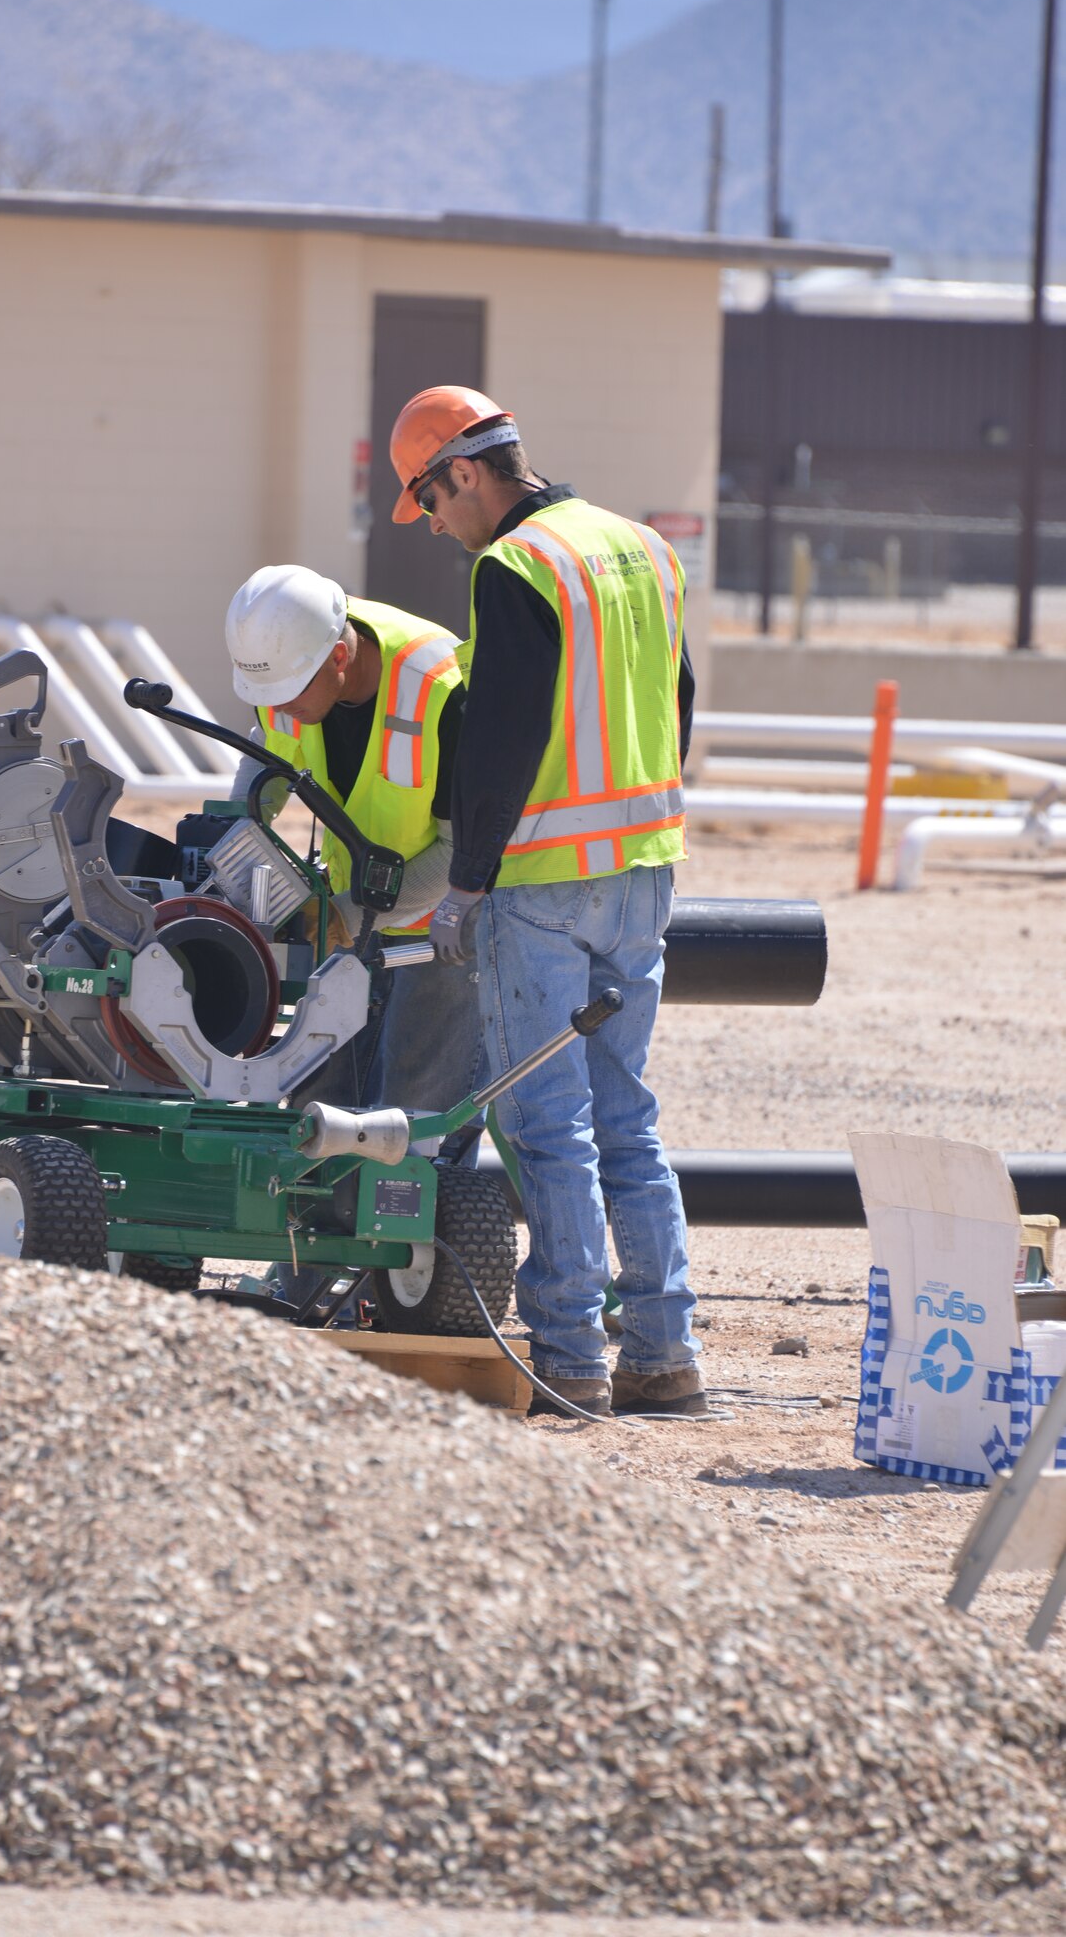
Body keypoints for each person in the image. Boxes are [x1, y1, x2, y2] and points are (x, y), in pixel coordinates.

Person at [389, 385, 703, 1420]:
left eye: (429, 501)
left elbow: (503, 734)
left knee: (545, 1120)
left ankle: (569, 1357)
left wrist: (467, 879)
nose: (434, 523)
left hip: (543, 878)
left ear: (464, 474)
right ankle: (662, 1354)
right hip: (643, 867)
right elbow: (680, 696)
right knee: (627, 1116)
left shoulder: (514, 565)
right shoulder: (638, 546)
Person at [224, 562, 484, 1131]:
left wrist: (344, 913)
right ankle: (321, 1216)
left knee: (416, 1110)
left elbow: (464, 858)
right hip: (356, 913)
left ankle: (436, 1219)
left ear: (340, 658)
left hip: (443, 926)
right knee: (318, 1097)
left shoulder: (441, 691)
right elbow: (255, 788)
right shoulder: (291, 661)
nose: (278, 706)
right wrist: (228, 863)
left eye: (287, 694)